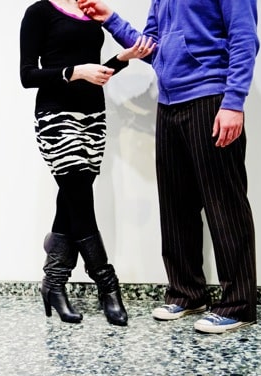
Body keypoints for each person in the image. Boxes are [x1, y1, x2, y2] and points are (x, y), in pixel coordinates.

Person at [78, 0, 259, 333]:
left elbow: (244, 37)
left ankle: (238, 304)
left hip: (211, 98)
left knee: (224, 205)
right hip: (169, 103)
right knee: (176, 207)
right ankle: (188, 293)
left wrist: (234, 102)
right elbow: (151, 47)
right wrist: (111, 20)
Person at [19, 0, 154, 325]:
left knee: (72, 201)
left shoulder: (91, 13)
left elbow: (96, 74)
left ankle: (53, 282)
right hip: (56, 115)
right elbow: (27, 75)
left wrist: (121, 60)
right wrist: (74, 72)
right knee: (80, 199)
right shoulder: (39, 12)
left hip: (93, 116)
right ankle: (108, 286)